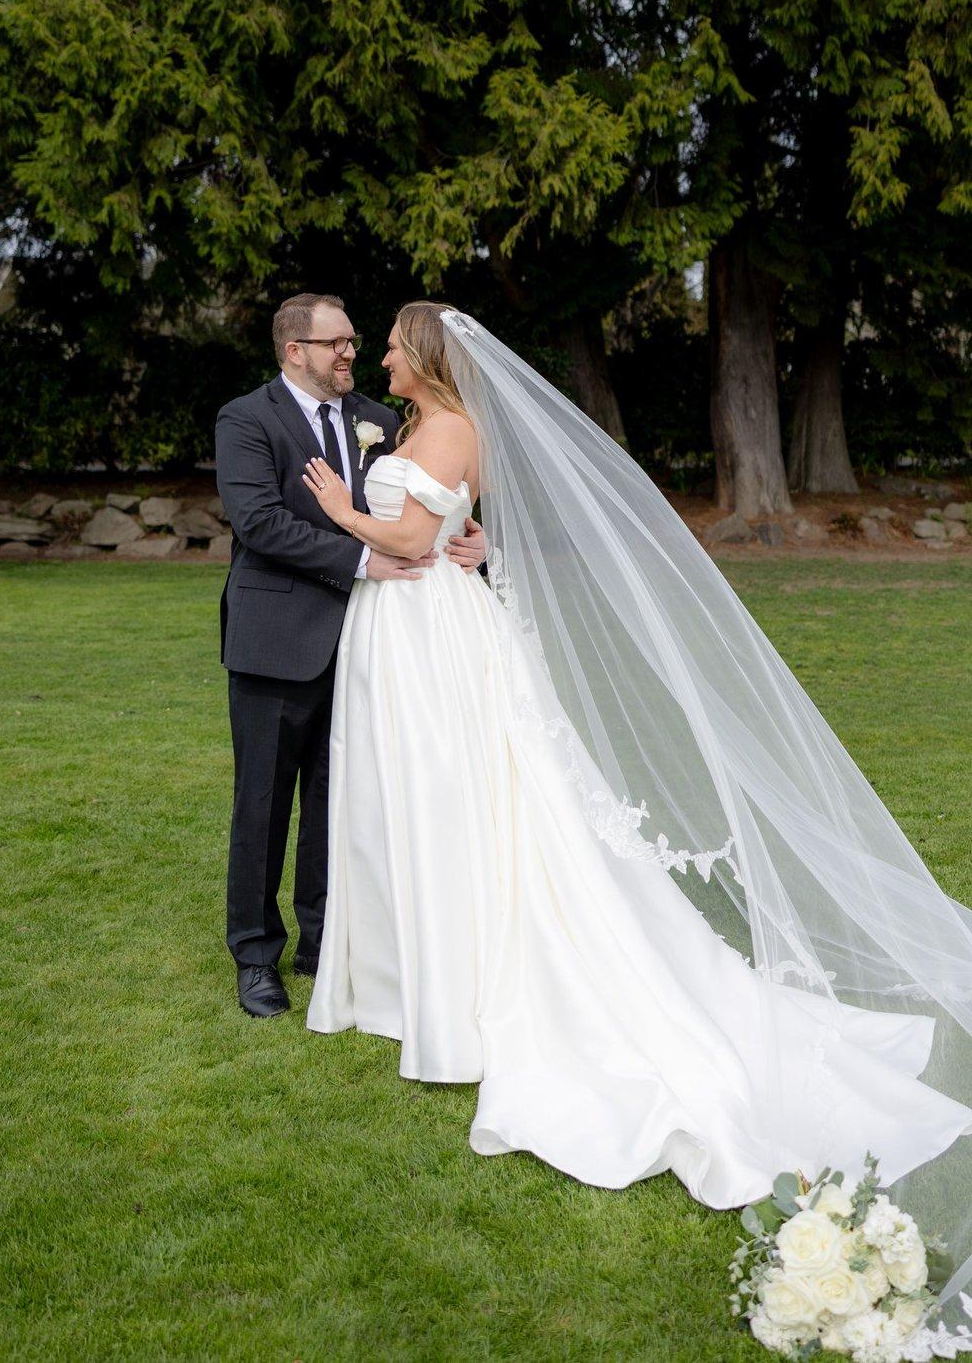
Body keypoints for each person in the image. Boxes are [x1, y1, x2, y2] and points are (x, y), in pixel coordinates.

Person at [301, 301, 972, 1302]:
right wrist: (457, 533)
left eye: (393, 345)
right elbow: (450, 524)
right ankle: (413, 971)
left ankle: (455, 983)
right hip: (411, 624)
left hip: (425, 628)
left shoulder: (446, 428)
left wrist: (339, 507)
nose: (381, 358)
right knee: (427, 797)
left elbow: (404, 532)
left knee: (453, 796)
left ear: (425, 355)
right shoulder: (423, 427)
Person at [215, 292, 486, 1017]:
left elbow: (438, 497)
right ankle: (255, 955)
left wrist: (476, 537)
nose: (350, 354)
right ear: (294, 350)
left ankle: (325, 939)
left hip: (376, 643)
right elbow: (260, 523)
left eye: (355, 342)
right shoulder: (247, 419)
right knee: (263, 802)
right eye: (335, 343)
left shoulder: (386, 419)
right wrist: (362, 560)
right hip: (277, 639)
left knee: (345, 797)